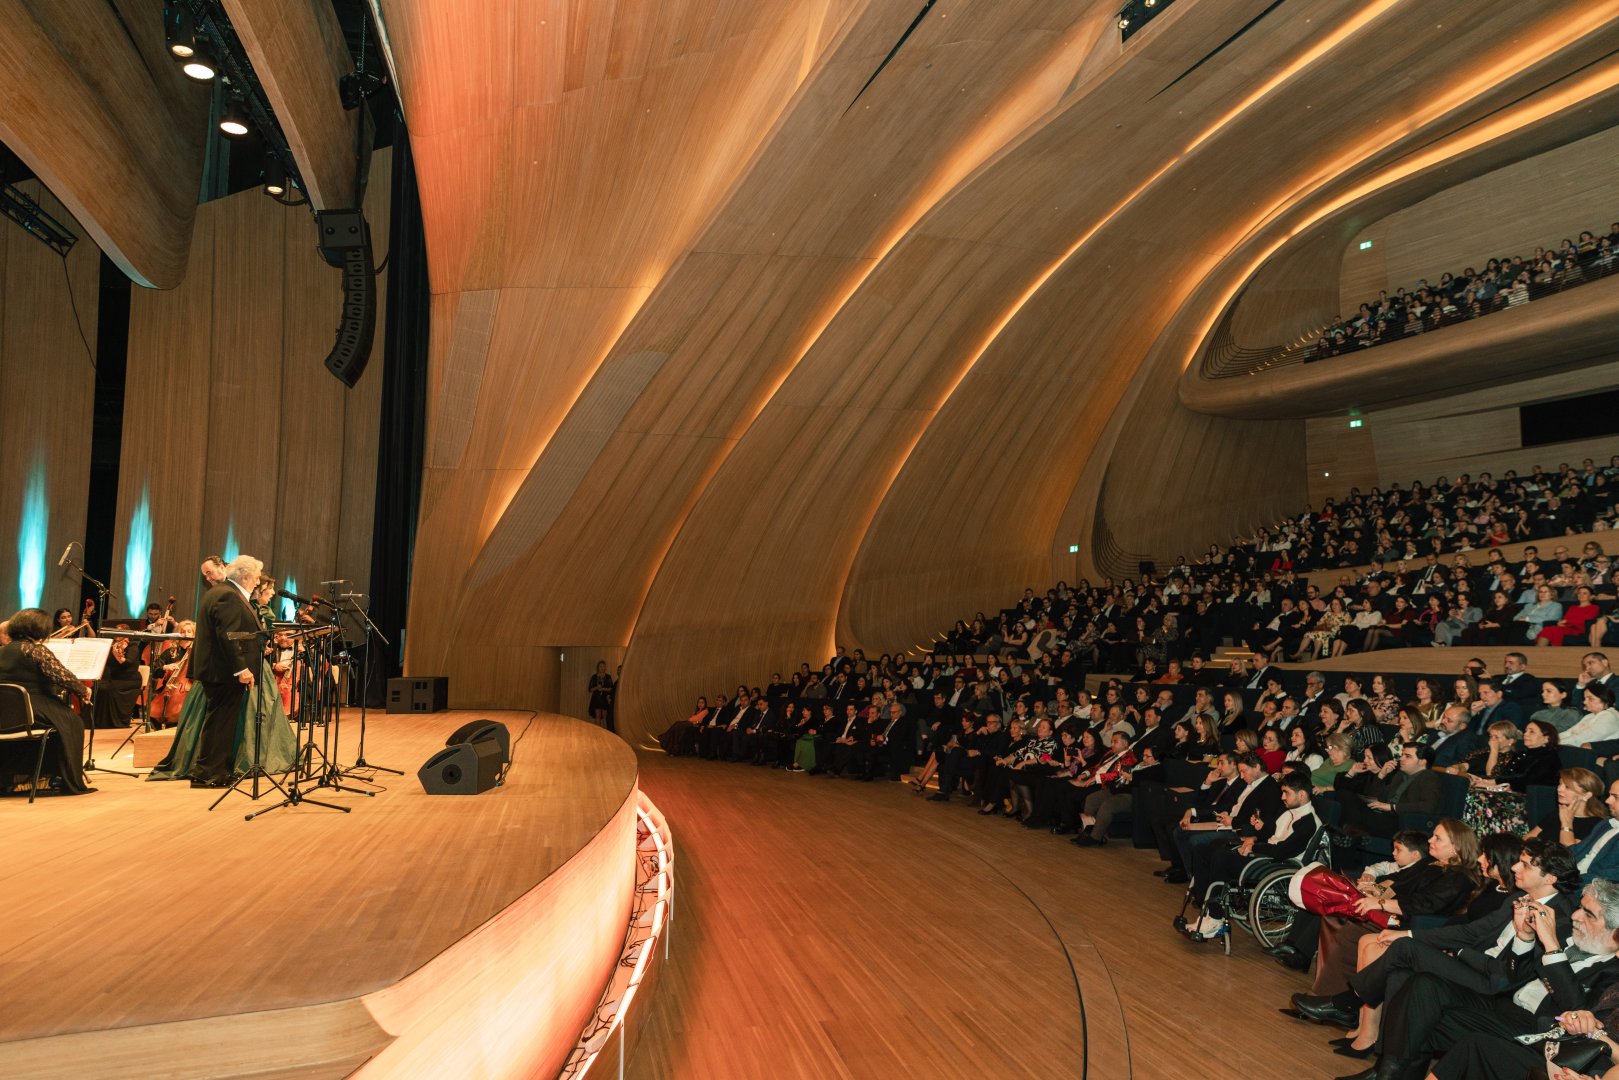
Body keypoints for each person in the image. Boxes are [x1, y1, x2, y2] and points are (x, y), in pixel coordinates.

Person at [185, 555, 268, 787]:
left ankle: (214, 770)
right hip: (223, 672)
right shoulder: (228, 596)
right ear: (244, 576)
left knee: (221, 722)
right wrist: (241, 668)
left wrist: (256, 640)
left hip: (219, 670)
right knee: (220, 723)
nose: (258, 582)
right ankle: (208, 774)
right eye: (256, 578)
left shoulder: (222, 593)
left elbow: (230, 632)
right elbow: (227, 635)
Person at [0, 607, 93, 795]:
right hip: (33, 708)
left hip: (6, 714)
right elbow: (62, 677)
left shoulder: (3, 651)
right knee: (72, 721)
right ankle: (63, 777)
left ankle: (24, 776)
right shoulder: (35, 650)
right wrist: (83, 689)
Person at [588, 660, 616, 730]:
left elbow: (611, 689)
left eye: (603, 666)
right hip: (596, 698)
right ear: (598, 667)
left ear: (605, 668)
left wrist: (603, 689)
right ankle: (598, 732)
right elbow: (590, 689)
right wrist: (597, 688)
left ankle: (605, 732)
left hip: (605, 699)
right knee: (598, 716)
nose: (602, 668)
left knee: (605, 716)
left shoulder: (608, 677)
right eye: (600, 666)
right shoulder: (594, 677)